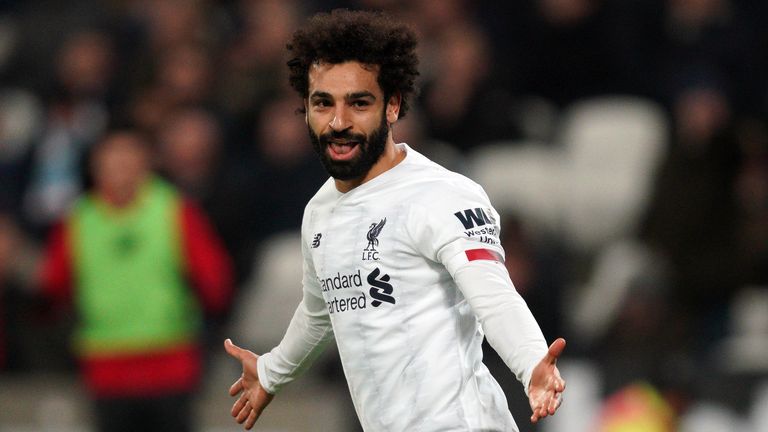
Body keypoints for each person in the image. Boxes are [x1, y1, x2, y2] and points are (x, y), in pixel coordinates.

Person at [224, 9, 565, 431]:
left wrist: (531, 360)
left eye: (359, 103)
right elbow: (320, 310)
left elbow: (493, 295)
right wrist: (273, 371)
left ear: (393, 105)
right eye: (322, 103)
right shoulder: (319, 212)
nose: (339, 122)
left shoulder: (441, 195)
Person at [41, 130, 233, 432]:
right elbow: (53, 286)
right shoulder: (78, 221)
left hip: (170, 364)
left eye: (128, 158)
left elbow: (214, 281)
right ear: (95, 166)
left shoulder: (176, 211)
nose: (120, 168)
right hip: (107, 367)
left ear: (147, 163)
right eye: (112, 159)